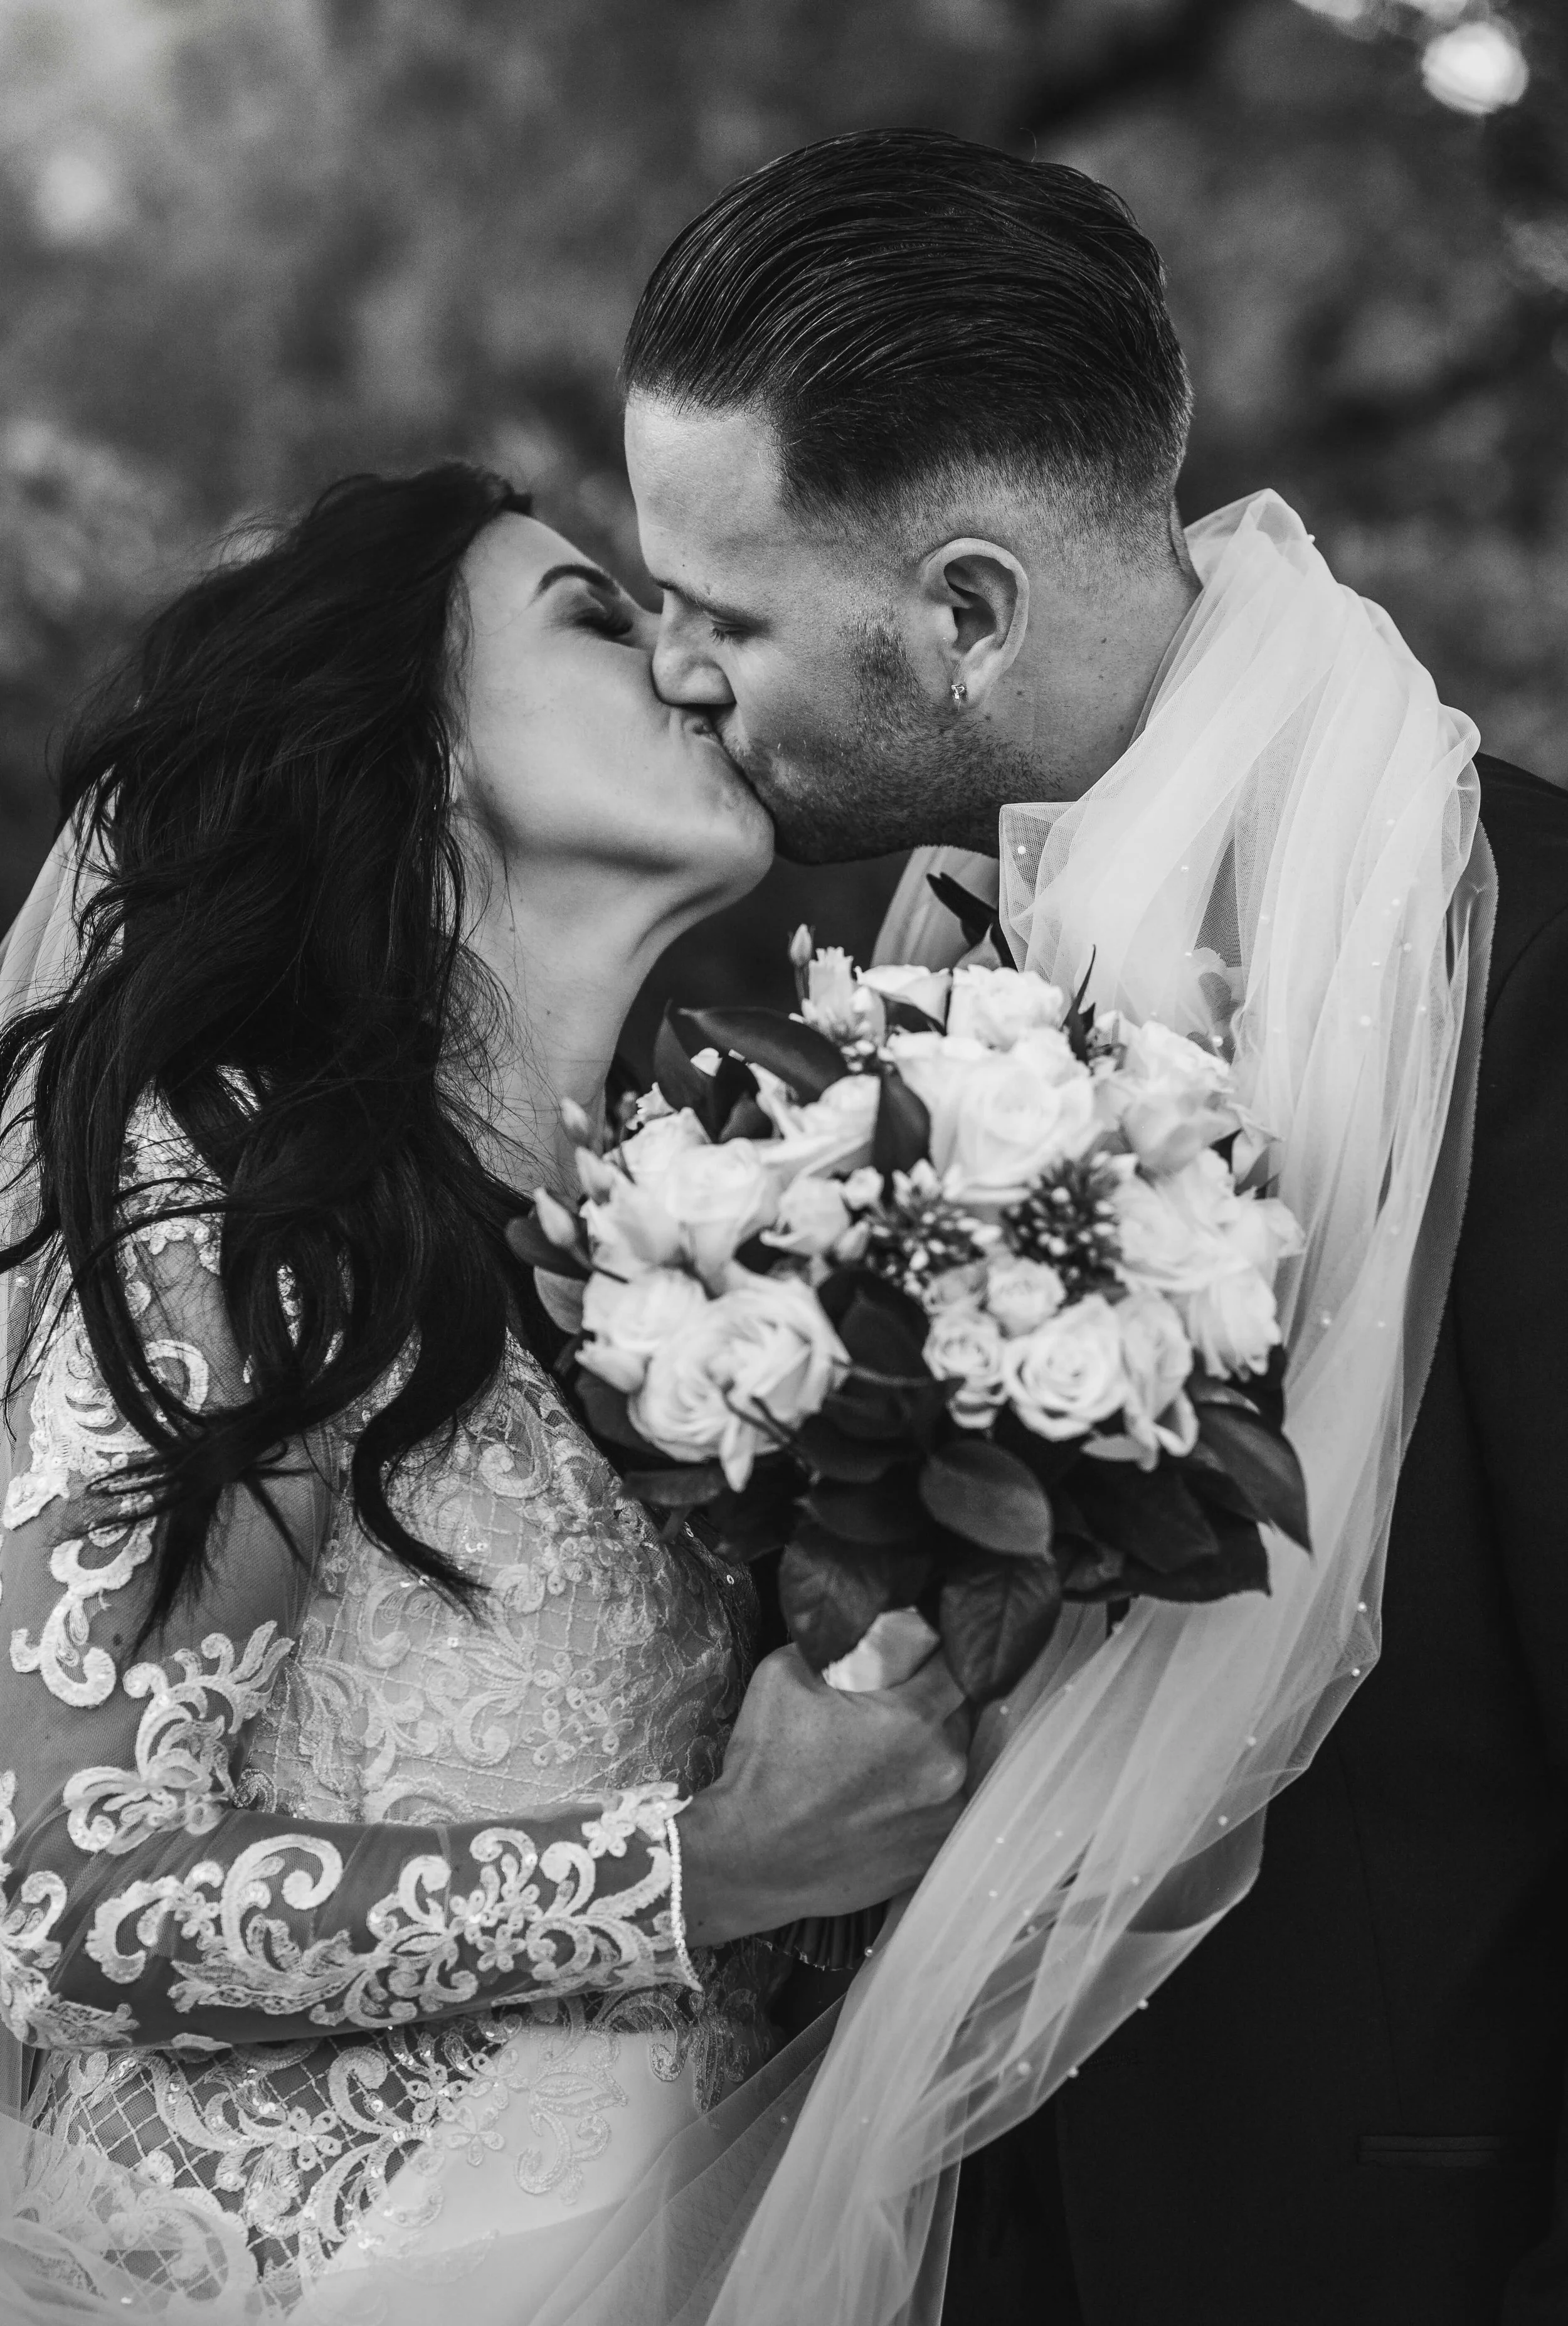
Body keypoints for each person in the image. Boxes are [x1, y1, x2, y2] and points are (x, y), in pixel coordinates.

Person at [622, 128, 1568, 2324]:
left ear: (965, 609)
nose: (676, 672)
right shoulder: (886, 964)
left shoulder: (1530, 969)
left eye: (722, 612)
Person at [0, 465, 970, 2321]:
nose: (693, 665)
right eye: (598, 617)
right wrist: (702, 1869)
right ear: (423, 747)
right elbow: (64, 1896)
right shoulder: (250, 1215)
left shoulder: (683, 1259)